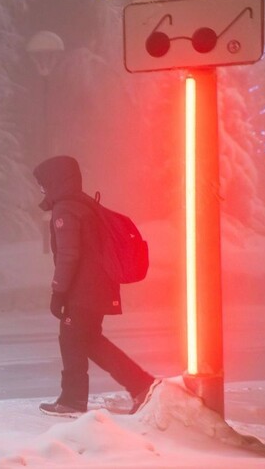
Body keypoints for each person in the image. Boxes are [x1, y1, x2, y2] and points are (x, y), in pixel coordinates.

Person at [33, 155, 158, 417]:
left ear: (56, 181)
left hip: (83, 292)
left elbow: (69, 255)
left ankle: (72, 401)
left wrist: (59, 292)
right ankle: (143, 385)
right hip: (98, 288)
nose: (41, 189)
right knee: (90, 341)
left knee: (71, 341)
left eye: (43, 183)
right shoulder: (84, 205)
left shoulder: (66, 210)